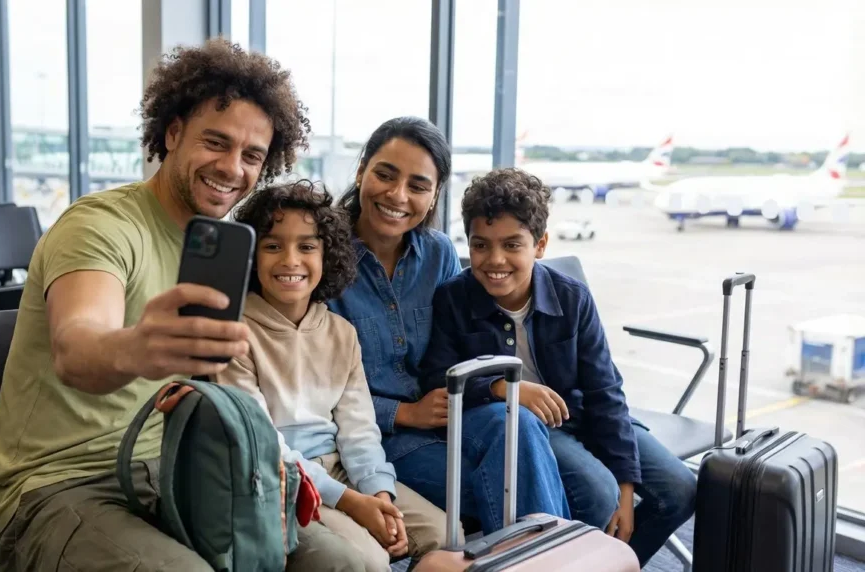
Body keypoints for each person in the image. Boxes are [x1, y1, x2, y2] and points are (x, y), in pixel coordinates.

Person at [0, 39, 365, 572]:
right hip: (59, 484)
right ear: (173, 132)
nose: (232, 167)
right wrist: (136, 347)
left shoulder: (222, 248)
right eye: (216, 142)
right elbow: (77, 347)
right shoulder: (99, 226)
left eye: (252, 155)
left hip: (177, 467)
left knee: (344, 565)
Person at [419, 167, 697, 565]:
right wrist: (502, 387)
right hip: (530, 428)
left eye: (512, 245)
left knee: (679, 489)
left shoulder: (572, 298)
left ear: (541, 244)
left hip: (580, 413)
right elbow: (436, 378)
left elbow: (605, 390)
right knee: (597, 496)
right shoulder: (453, 298)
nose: (494, 260)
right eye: (481, 246)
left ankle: (613, 563)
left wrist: (626, 486)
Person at [326, 116, 569, 536]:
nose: (398, 195)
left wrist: (485, 388)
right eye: (385, 174)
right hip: (377, 435)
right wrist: (404, 412)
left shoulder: (437, 251)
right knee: (512, 485)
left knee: (519, 423)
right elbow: (314, 383)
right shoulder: (322, 254)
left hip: (450, 413)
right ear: (362, 169)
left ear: (435, 193)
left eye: (418, 185)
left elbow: (456, 343)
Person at [216, 180, 450, 570]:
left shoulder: (341, 333)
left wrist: (379, 494)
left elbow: (358, 429)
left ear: (328, 256)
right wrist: (351, 502)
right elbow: (263, 444)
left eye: (307, 246)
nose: (290, 260)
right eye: (273, 246)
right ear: (252, 258)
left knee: (444, 536)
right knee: (371, 560)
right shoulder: (234, 333)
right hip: (282, 479)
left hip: (341, 469)